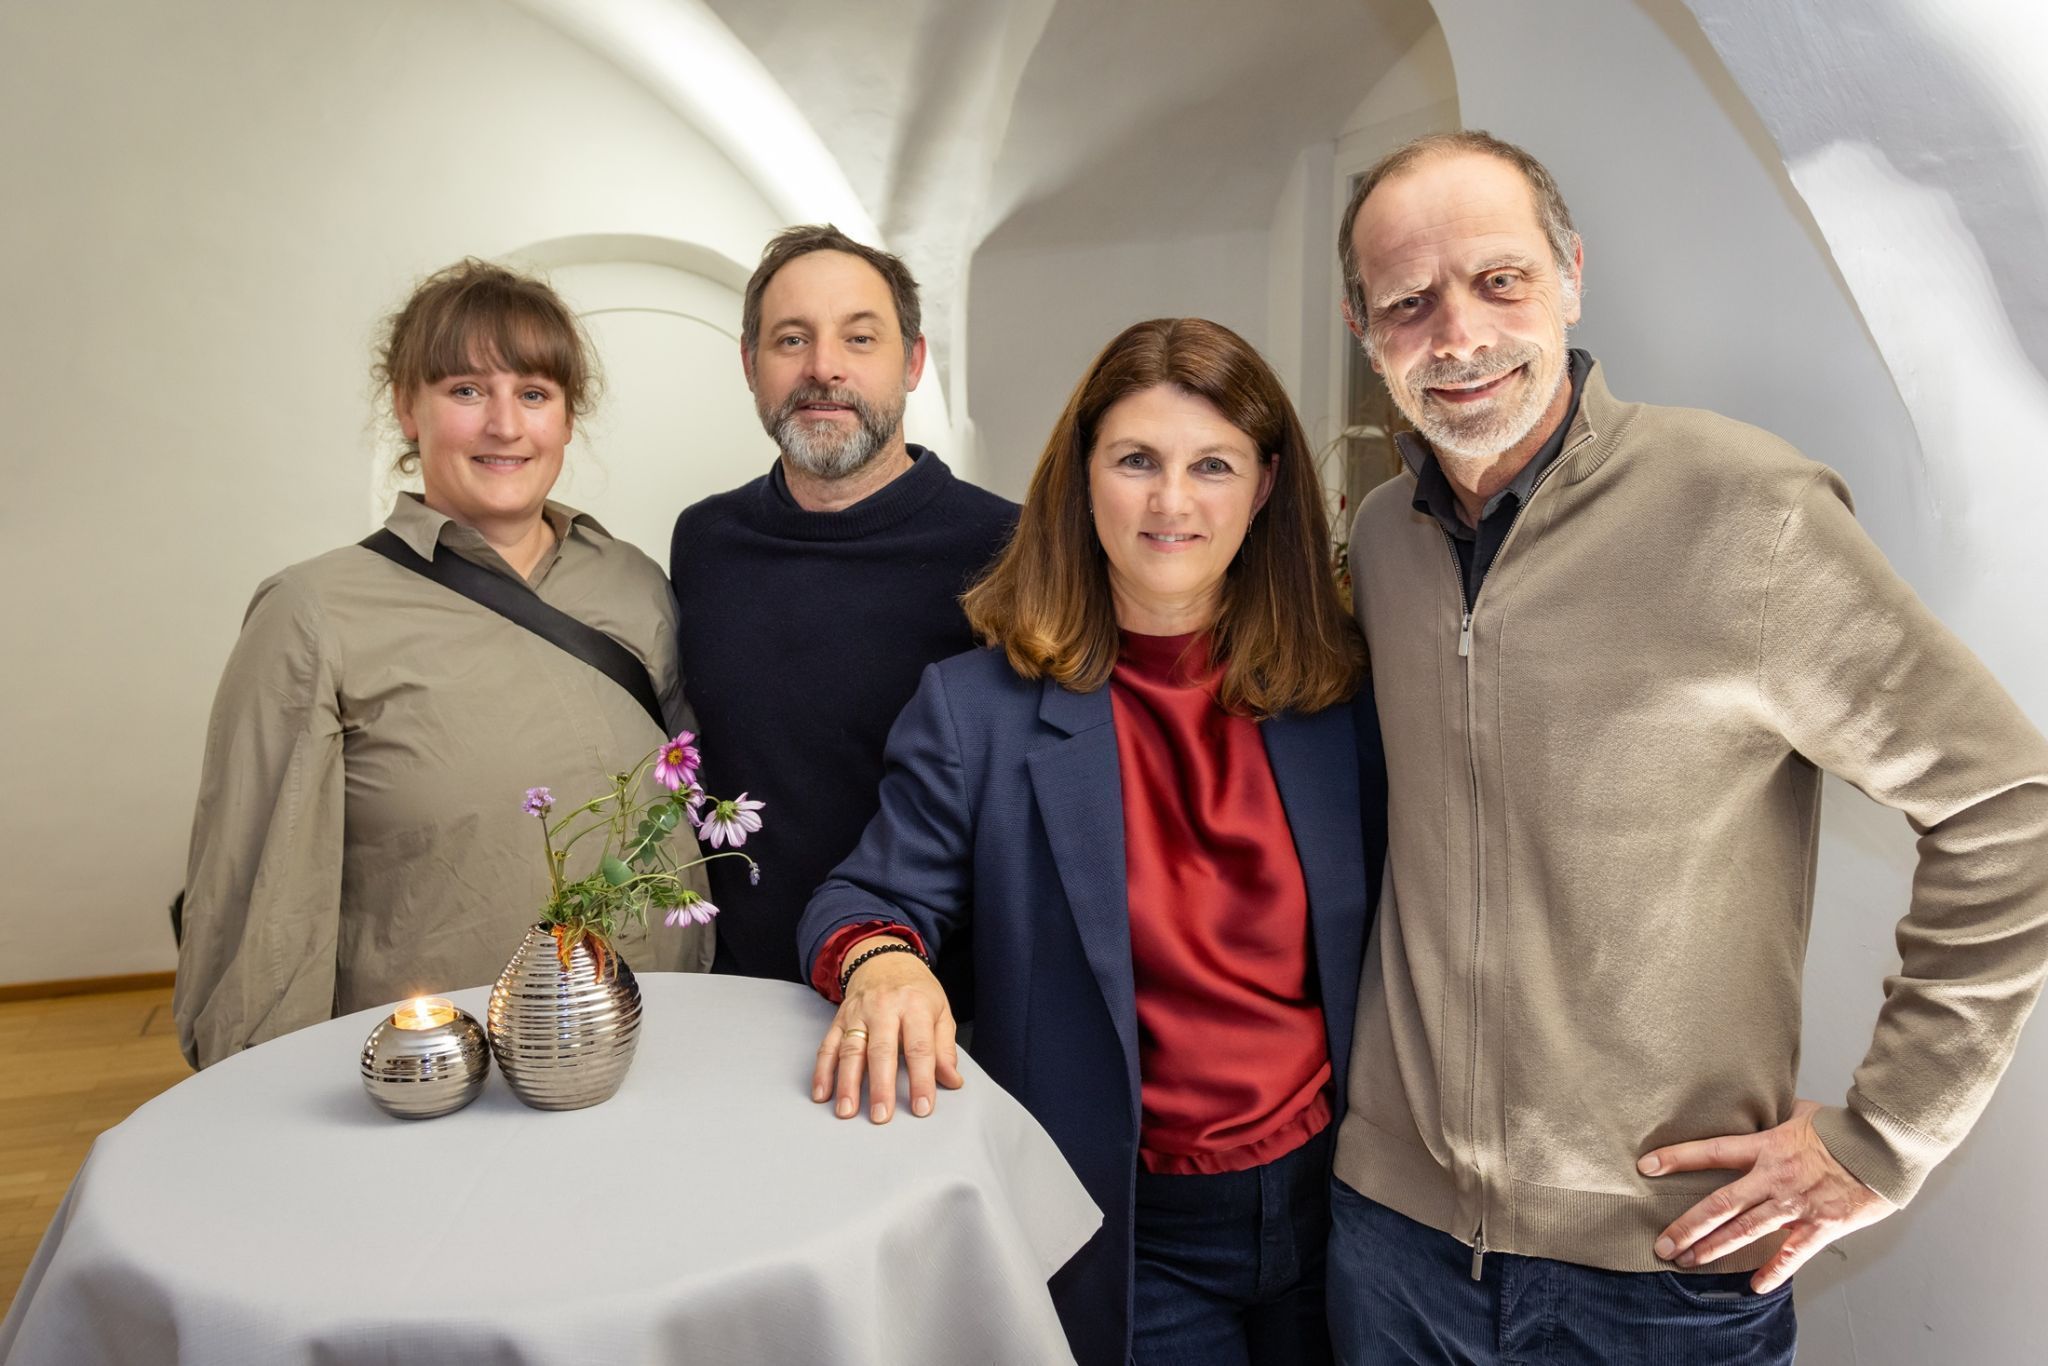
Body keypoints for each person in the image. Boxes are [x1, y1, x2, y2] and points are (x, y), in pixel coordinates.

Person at [1328, 129, 2048, 1364]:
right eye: (1408, 301)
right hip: (1388, 1244)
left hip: (1659, 1273)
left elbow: (2006, 804)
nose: (1454, 337)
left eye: (1497, 280)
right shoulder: (1380, 537)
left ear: (1568, 276)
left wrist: (1880, 1142)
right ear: (1362, 329)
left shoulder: (1743, 510)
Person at [794, 318, 1386, 1366]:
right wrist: (882, 962)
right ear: (1080, 480)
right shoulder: (974, 709)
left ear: (1261, 488)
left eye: (1211, 465)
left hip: (1340, 1206)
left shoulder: (1341, 692)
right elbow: (860, 900)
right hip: (1127, 1222)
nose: (1171, 501)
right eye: (1135, 461)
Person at [175, 259, 712, 1069]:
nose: (505, 426)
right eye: (466, 391)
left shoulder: (633, 582)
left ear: (567, 419)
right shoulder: (313, 612)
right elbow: (260, 898)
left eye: (534, 394)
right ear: (408, 407)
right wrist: (259, 1093)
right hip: (440, 1075)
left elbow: (683, 805)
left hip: (653, 1040)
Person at [668, 225, 1016, 986]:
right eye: (792, 339)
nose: (824, 368)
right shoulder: (704, 541)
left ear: (913, 361)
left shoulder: (1010, 548)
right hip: (734, 995)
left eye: (861, 339)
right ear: (750, 364)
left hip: (934, 1009)